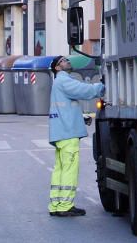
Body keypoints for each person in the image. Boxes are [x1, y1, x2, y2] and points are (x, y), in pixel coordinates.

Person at [48, 55, 104, 217]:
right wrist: (102, 87)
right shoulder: (64, 80)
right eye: (63, 61)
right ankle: (65, 205)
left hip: (61, 133)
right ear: (57, 68)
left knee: (59, 169)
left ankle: (55, 204)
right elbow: (84, 90)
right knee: (70, 170)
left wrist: (81, 117)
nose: (68, 62)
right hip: (67, 134)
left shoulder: (58, 82)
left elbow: (66, 108)